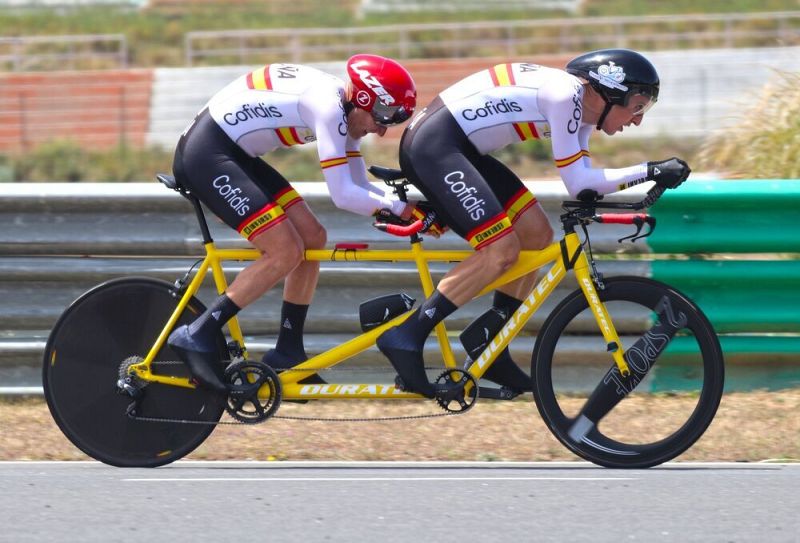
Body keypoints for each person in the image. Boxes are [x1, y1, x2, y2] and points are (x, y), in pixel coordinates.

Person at [377, 48, 691, 398]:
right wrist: (650, 170)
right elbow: (579, 184)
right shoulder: (566, 96)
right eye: (637, 105)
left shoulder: (583, 111)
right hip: (435, 148)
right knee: (501, 249)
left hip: (460, 149)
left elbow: (584, 182)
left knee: (537, 235)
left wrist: (648, 174)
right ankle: (407, 335)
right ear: (610, 90)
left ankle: (490, 341)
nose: (638, 120)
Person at [168, 54, 418, 393]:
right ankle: (197, 333)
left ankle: (288, 350)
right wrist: (397, 208)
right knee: (284, 251)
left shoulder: (348, 114)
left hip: (234, 154)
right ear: (362, 99)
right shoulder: (329, 110)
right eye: (383, 117)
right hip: (207, 156)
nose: (383, 130)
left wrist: (405, 207)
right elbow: (343, 195)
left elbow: (361, 188)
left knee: (313, 237)